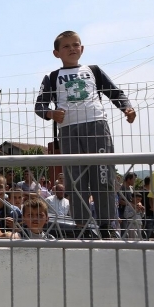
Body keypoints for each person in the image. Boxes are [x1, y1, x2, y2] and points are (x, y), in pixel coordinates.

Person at [35, 30, 137, 238]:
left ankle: (106, 227)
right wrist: (51, 113)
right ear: (56, 53)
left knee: (103, 177)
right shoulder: (52, 77)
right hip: (69, 132)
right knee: (75, 182)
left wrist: (126, 107)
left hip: (97, 127)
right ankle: (81, 227)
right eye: (66, 46)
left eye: (76, 45)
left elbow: (115, 92)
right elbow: (39, 106)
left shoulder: (94, 71)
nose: (72, 49)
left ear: (82, 49)